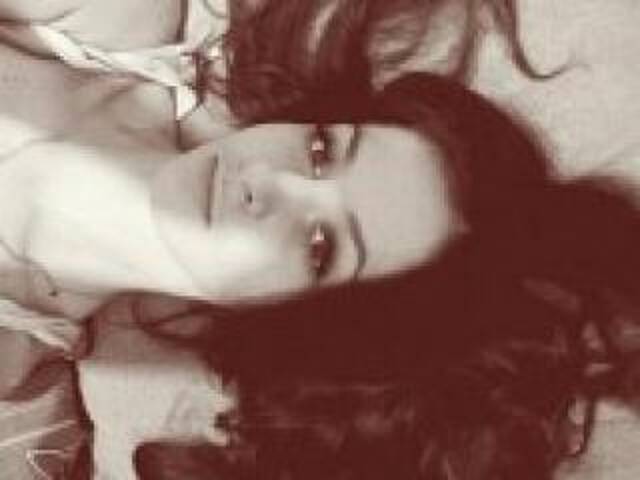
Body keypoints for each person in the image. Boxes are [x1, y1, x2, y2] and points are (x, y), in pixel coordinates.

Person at [124, 70, 640, 480]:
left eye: (321, 247)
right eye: (321, 150)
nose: (260, 184)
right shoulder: (142, 67)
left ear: (302, 320)